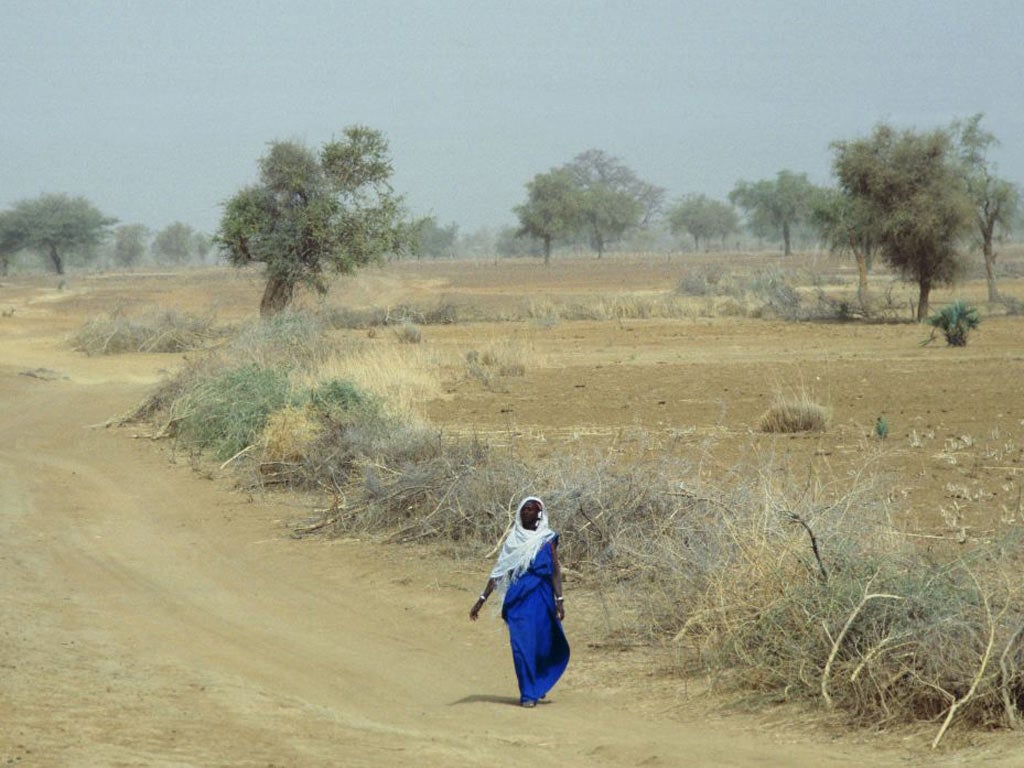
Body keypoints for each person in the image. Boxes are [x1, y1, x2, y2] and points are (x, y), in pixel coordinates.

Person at [469, 496, 570, 708]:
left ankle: (538, 681)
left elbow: (555, 570)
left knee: (542, 643)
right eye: (523, 509)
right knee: (521, 645)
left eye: (531, 509)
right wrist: (481, 600)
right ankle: (528, 693)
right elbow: (499, 572)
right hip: (519, 600)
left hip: (542, 598)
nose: (526, 512)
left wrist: (559, 599)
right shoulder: (513, 541)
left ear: (539, 513)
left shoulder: (547, 539)